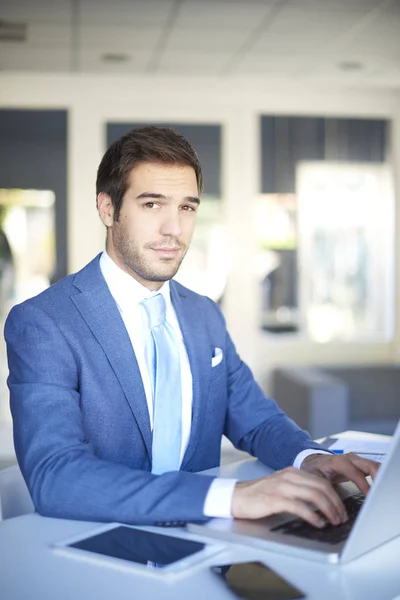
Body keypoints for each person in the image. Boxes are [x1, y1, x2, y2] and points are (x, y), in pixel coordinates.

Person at [4, 126, 379, 528]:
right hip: (102, 547)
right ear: (108, 209)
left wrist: (312, 459)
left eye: (187, 207)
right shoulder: (43, 322)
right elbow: (55, 476)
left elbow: (256, 419)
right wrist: (230, 497)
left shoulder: (204, 314)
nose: (174, 230)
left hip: (207, 546)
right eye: (152, 205)